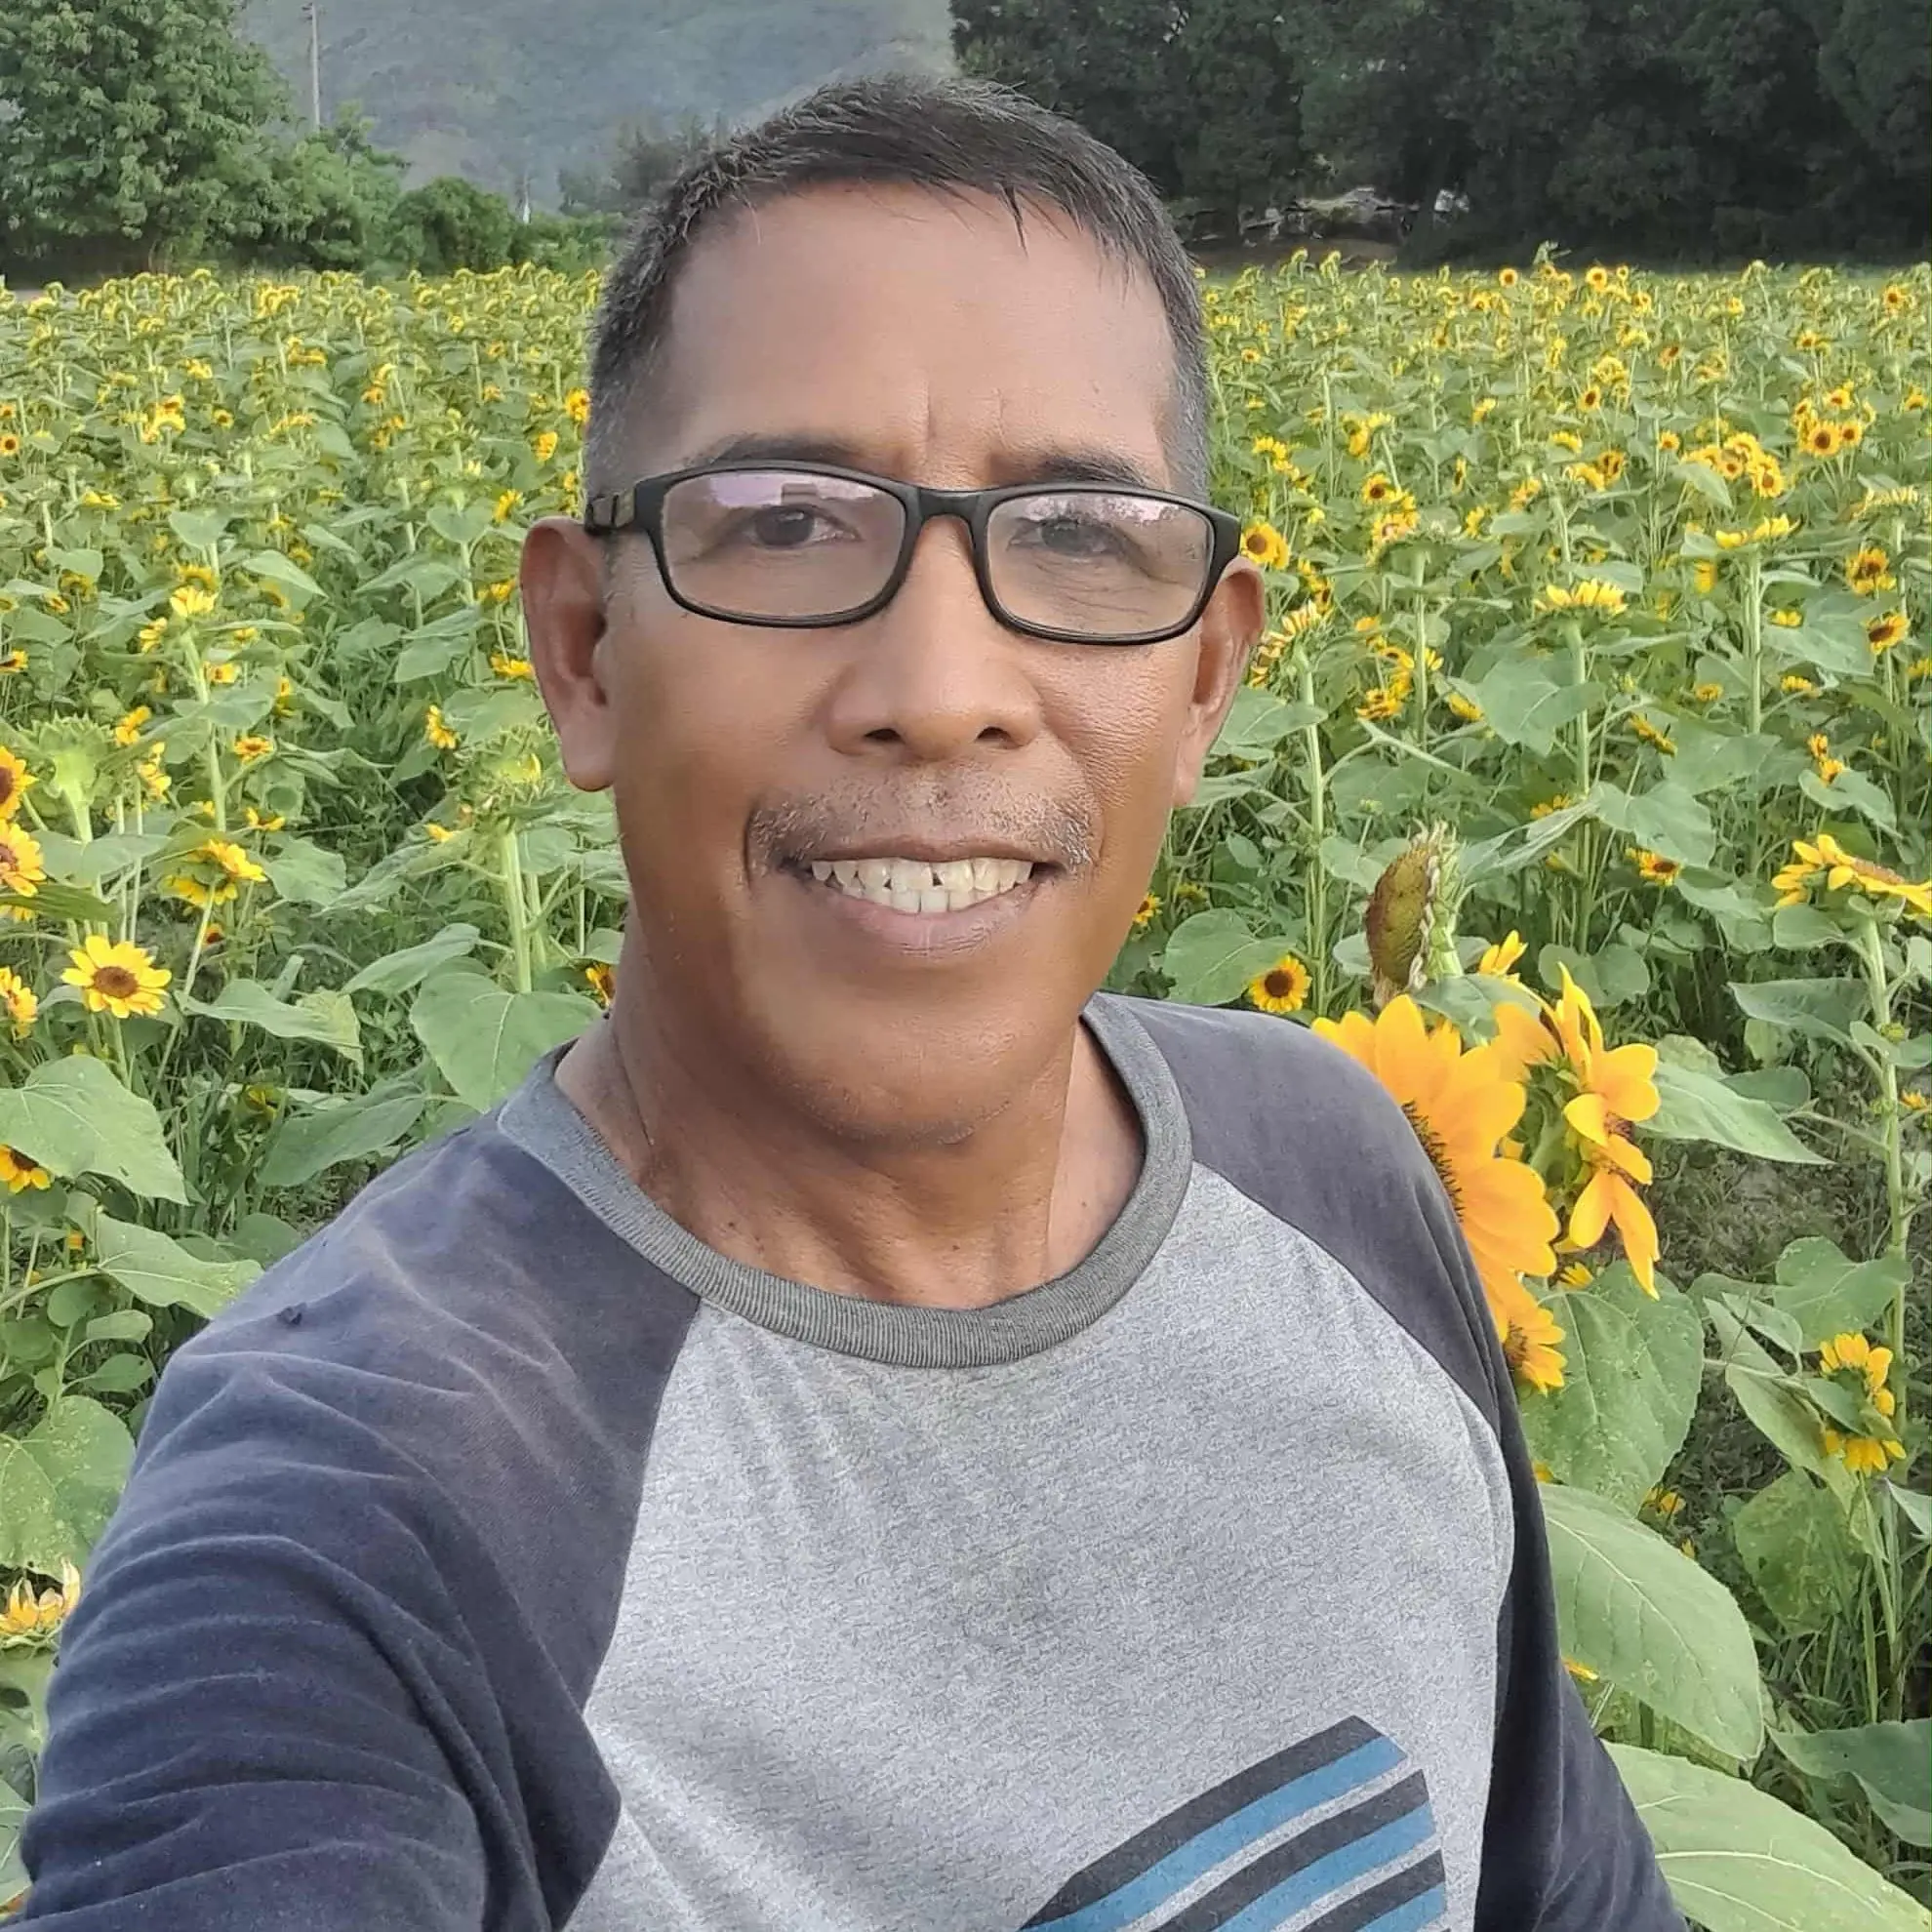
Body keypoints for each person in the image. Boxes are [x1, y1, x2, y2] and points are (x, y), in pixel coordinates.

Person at [18, 74, 1685, 1932]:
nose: (942, 687)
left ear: (1207, 681)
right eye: (788, 522)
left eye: (1076, 534)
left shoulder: (1339, 1163)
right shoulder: (355, 1522)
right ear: (582, 653)